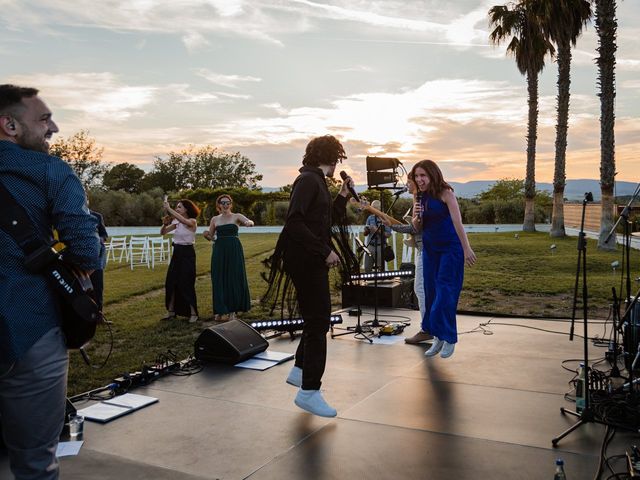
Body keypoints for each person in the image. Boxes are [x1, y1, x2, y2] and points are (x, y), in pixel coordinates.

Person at [0, 84, 102, 479]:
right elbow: (86, 252)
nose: (53, 127)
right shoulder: (49, 171)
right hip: (27, 327)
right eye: (43, 119)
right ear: (9, 124)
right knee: (34, 462)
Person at [266, 134, 353, 418]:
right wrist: (323, 251)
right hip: (304, 259)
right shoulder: (307, 181)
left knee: (316, 318)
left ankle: (300, 370)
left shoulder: (316, 181)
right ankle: (309, 392)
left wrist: (343, 195)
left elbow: (325, 219)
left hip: (308, 257)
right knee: (319, 322)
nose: (336, 163)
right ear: (329, 156)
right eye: (336, 157)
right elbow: (294, 221)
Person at [411, 159, 476, 359]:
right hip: (430, 250)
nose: (419, 180)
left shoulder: (446, 193)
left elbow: (458, 223)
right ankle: (437, 336)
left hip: (450, 249)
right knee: (430, 294)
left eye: (423, 175)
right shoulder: (419, 197)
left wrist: (466, 248)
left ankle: (449, 338)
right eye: (416, 176)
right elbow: (417, 227)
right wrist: (417, 218)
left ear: (432, 175)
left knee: (445, 293)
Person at [381, 176, 433, 345]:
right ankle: (429, 327)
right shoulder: (417, 201)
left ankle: (427, 329)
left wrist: (391, 225)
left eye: (409, 182)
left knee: (421, 289)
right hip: (423, 249)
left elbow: (414, 228)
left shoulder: (421, 201)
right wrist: (391, 224)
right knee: (422, 290)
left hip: (426, 250)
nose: (407, 185)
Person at [203, 194, 254, 321]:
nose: (225, 205)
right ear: (219, 205)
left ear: (231, 204)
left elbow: (249, 220)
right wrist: (206, 235)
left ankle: (232, 311)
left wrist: (248, 223)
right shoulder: (215, 219)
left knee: (233, 277)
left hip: (234, 249)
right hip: (219, 249)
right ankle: (220, 310)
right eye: (222, 202)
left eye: (227, 202)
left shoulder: (237, 216)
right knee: (219, 277)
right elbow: (211, 236)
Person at [161, 198, 200, 323]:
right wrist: (165, 224)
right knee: (171, 282)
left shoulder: (192, 221)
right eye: (177, 207)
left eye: (179, 207)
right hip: (176, 253)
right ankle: (171, 312)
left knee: (186, 283)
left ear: (186, 209)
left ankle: (193, 313)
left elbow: (185, 221)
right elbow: (163, 232)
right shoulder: (177, 222)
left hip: (187, 254)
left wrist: (169, 209)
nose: (177, 209)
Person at [363, 199, 392, 273]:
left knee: (381, 269)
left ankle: (381, 282)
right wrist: (367, 230)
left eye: (375, 208)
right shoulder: (370, 218)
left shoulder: (385, 218)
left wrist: (377, 231)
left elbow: (388, 234)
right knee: (367, 268)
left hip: (380, 247)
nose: (373, 210)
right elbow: (364, 234)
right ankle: (369, 283)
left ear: (380, 209)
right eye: (372, 208)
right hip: (370, 246)